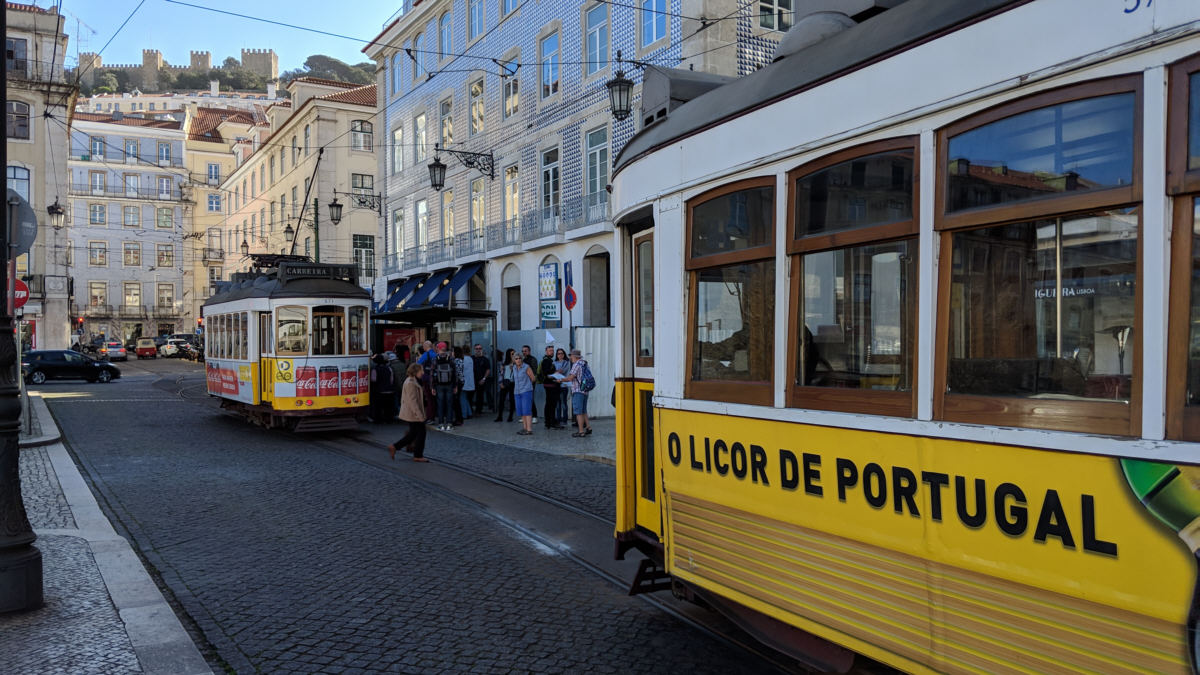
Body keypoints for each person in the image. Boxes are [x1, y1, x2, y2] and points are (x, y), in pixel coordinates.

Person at [388, 363, 429, 462]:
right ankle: (417, 455)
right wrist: (420, 416)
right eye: (421, 371)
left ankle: (395, 447)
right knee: (421, 433)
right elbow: (413, 401)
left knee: (413, 433)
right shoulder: (411, 382)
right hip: (413, 413)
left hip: (412, 413)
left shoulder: (412, 380)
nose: (423, 373)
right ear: (415, 372)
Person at [560, 348, 592, 437]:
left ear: (574, 356)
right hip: (585, 390)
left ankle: (581, 431)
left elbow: (570, 378)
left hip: (578, 390)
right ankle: (588, 427)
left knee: (578, 412)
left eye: (570, 356)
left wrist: (560, 379)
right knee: (583, 410)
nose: (570, 357)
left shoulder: (576, 365)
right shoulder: (585, 364)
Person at [431, 342, 457, 430]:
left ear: (438, 348)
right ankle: (449, 423)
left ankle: (441, 424)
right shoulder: (451, 358)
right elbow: (455, 373)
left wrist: (432, 387)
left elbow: (432, 374)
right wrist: (455, 386)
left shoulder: (435, 359)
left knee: (440, 404)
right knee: (449, 404)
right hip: (449, 385)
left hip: (439, 385)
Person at [512, 352, 537, 435]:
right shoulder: (514, 367)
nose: (518, 360)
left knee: (527, 410)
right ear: (514, 360)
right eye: (516, 359)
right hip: (517, 391)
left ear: (522, 359)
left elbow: (533, 378)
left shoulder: (526, 367)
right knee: (521, 411)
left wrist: (527, 384)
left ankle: (529, 430)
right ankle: (525, 428)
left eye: (519, 358)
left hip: (526, 390)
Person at [538, 345, 563, 429]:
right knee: (551, 404)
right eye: (550, 351)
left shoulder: (549, 360)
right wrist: (556, 372)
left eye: (552, 350)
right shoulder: (546, 361)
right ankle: (551, 422)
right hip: (550, 385)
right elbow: (546, 373)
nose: (552, 352)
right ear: (546, 351)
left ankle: (549, 422)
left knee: (550, 404)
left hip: (551, 385)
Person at [369, 354, 396, 424]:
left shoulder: (375, 369)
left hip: (379, 390)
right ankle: (389, 419)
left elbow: (373, 380)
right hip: (390, 390)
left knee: (378, 406)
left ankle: (378, 419)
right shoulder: (389, 368)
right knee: (389, 406)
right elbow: (391, 380)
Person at [494, 348, 516, 422]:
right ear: (508, 354)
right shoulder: (504, 363)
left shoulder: (516, 363)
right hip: (505, 382)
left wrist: (514, 366)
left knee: (512, 400)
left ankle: (510, 416)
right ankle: (500, 416)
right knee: (501, 400)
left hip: (512, 383)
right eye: (512, 354)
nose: (513, 355)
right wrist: (500, 383)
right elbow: (501, 373)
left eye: (514, 353)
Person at [472, 344, 491, 414]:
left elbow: (488, 370)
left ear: (482, 349)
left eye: (480, 348)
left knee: (480, 396)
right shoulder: (471, 358)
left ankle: (478, 411)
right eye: (476, 348)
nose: (478, 350)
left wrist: (483, 379)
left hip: (481, 381)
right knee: (470, 396)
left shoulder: (485, 359)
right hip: (472, 381)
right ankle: (470, 410)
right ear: (474, 350)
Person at [553, 347, 570, 425]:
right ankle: (558, 419)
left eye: (561, 353)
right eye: (558, 353)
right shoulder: (554, 362)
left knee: (563, 403)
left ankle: (565, 420)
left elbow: (562, 371)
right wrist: (555, 372)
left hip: (563, 385)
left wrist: (555, 372)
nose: (560, 355)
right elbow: (553, 373)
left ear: (564, 354)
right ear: (556, 355)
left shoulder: (566, 362)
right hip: (556, 385)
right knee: (557, 404)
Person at [521, 345, 538, 423]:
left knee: (530, 399)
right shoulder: (522, 360)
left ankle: (534, 416)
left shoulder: (532, 359)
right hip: (523, 383)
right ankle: (525, 416)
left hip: (530, 383)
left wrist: (531, 381)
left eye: (525, 350)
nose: (524, 352)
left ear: (529, 351)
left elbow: (535, 372)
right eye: (523, 351)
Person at [388, 350, 407, 415]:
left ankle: (398, 413)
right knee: (403, 399)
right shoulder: (403, 364)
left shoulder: (391, 366)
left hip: (396, 385)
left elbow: (393, 378)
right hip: (404, 384)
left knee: (396, 399)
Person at [460, 344, 474, 421]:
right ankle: (469, 412)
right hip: (469, 381)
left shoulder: (463, 359)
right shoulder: (470, 359)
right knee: (465, 398)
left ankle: (464, 414)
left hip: (464, 381)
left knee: (462, 398)